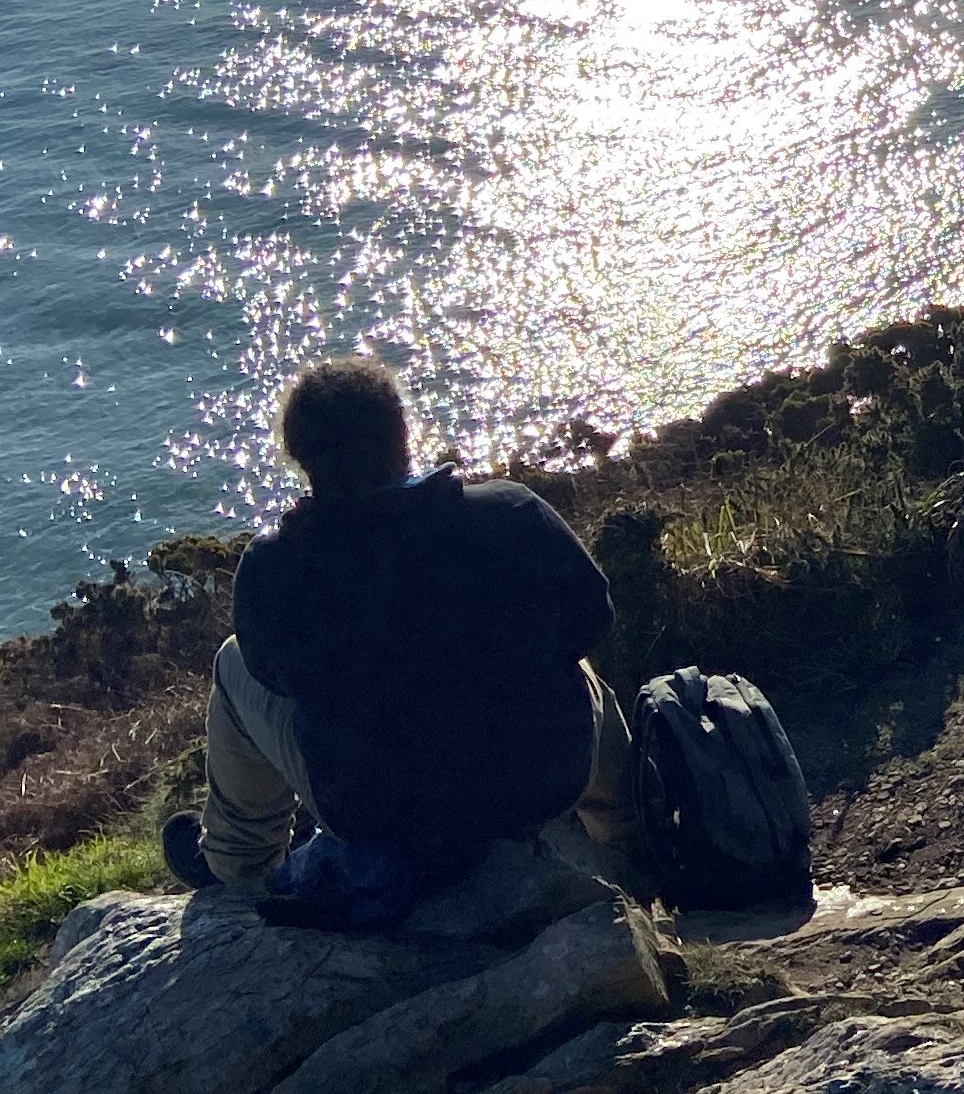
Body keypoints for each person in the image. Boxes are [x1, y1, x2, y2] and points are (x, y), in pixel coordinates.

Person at [164, 356, 638, 919]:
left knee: (232, 662)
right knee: (575, 664)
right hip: (543, 779)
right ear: (403, 433)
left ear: (299, 456)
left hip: (373, 809)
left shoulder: (277, 566)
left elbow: (274, 675)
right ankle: (630, 835)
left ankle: (238, 865)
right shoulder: (510, 511)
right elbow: (593, 618)